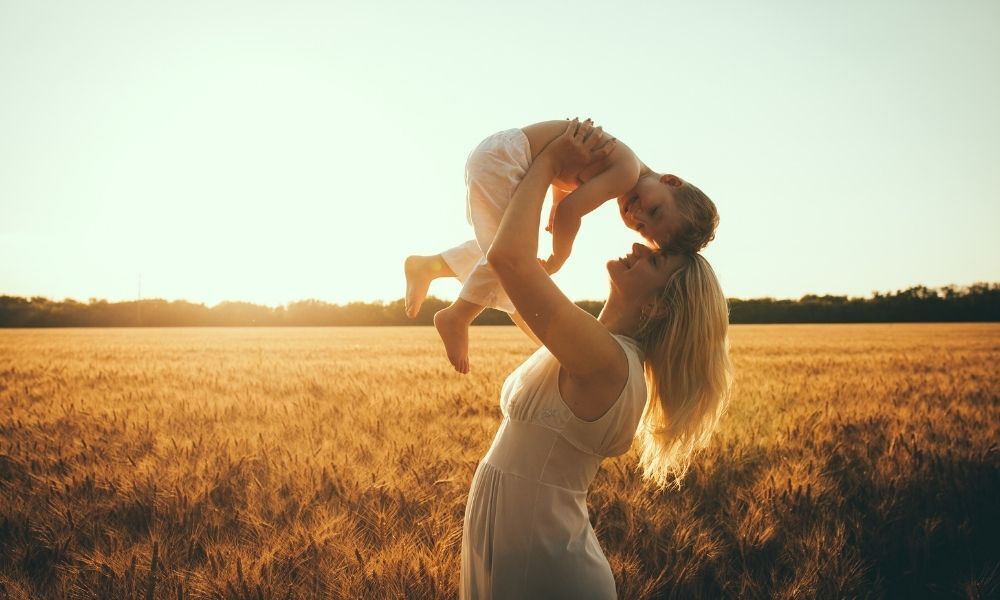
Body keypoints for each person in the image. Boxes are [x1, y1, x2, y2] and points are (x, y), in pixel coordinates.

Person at [458, 120, 733, 599]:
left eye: (652, 259)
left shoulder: (607, 361)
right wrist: (440, 272)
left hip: (545, 568)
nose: (634, 242)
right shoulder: (594, 344)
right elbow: (508, 287)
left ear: (657, 306)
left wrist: (547, 162)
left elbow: (511, 261)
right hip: (513, 552)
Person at [403, 118, 719, 373]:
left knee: (500, 247)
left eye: (641, 227)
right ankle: (457, 316)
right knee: (512, 256)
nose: (637, 214)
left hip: (501, 154)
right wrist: (559, 255)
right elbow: (572, 211)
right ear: (672, 181)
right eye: (654, 211)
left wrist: (555, 203)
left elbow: (567, 179)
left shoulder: (624, 163)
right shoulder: (626, 173)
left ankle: (428, 265)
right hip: (506, 161)